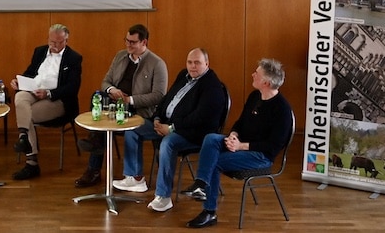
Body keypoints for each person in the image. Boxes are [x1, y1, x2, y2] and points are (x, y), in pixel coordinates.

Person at [181, 58, 293, 229]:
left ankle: (209, 212)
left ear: (266, 82)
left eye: (257, 73)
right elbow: (241, 122)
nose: (252, 74)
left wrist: (240, 146)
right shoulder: (255, 96)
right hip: (241, 143)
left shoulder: (282, 109)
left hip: (260, 156)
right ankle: (201, 184)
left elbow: (273, 146)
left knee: (215, 162)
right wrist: (233, 135)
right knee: (211, 138)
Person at [76, 24, 169, 189]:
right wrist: (113, 90)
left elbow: (159, 96)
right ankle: (95, 149)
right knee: (97, 97)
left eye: (133, 42)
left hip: (138, 110)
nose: (128, 45)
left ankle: (94, 167)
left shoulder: (157, 63)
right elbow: (105, 81)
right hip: (115, 103)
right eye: (126, 41)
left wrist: (130, 100)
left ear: (144, 42)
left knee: (103, 129)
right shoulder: (120, 56)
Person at [132, 48, 226, 212]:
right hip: (166, 125)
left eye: (197, 63)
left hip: (194, 133)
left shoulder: (212, 86)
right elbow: (166, 99)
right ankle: (134, 177)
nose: (192, 66)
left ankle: (163, 196)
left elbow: (199, 118)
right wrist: (156, 118)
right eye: (190, 62)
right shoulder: (184, 75)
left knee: (168, 142)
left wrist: (171, 128)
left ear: (207, 64)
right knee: (134, 126)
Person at [9, 23, 83, 180]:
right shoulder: (40, 51)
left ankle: (31, 162)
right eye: (52, 42)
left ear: (66, 41)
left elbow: (72, 87)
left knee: (26, 113)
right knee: (19, 97)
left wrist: (49, 93)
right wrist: (19, 81)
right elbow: (30, 73)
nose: (54, 46)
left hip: (57, 99)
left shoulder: (73, 58)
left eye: (58, 42)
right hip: (34, 91)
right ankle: (24, 137)